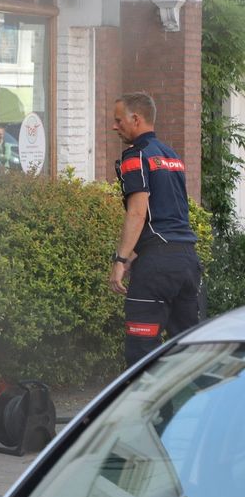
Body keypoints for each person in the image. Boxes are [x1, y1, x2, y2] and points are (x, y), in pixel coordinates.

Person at [109, 92, 202, 367]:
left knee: (142, 355)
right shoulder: (172, 155)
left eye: (118, 120)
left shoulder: (135, 156)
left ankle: (150, 410)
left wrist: (120, 259)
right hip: (187, 261)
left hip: (157, 268)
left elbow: (139, 211)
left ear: (136, 119)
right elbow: (168, 214)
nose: (115, 126)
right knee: (189, 352)